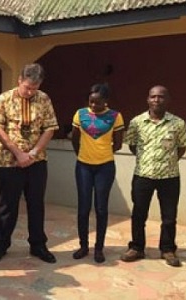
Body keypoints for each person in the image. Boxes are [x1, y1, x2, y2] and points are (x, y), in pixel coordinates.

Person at [0, 63, 59, 264]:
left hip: (37, 162)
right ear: (19, 80)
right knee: (7, 206)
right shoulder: (4, 99)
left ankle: (38, 245)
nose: (30, 92)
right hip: (10, 162)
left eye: (34, 88)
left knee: (36, 204)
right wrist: (18, 153)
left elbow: (49, 129)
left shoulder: (44, 99)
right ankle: (0, 245)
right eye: (27, 87)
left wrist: (33, 153)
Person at [120, 85, 186, 267]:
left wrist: (167, 163)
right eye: (153, 97)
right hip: (143, 175)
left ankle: (167, 249)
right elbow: (132, 145)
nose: (156, 100)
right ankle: (136, 247)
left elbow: (181, 148)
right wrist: (147, 162)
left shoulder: (178, 123)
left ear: (168, 100)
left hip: (169, 176)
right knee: (138, 214)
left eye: (161, 97)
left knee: (169, 216)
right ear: (147, 99)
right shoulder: (137, 122)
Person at [70, 83, 124, 263]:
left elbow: (117, 144)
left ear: (106, 101)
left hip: (105, 167)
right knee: (83, 208)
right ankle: (83, 246)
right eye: (91, 102)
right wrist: (84, 155)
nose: (93, 106)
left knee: (101, 208)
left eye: (98, 103)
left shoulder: (115, 117)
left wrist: (102, 154)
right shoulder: (80, 114)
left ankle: (99, 248)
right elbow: (75, 139)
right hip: (83, 166)